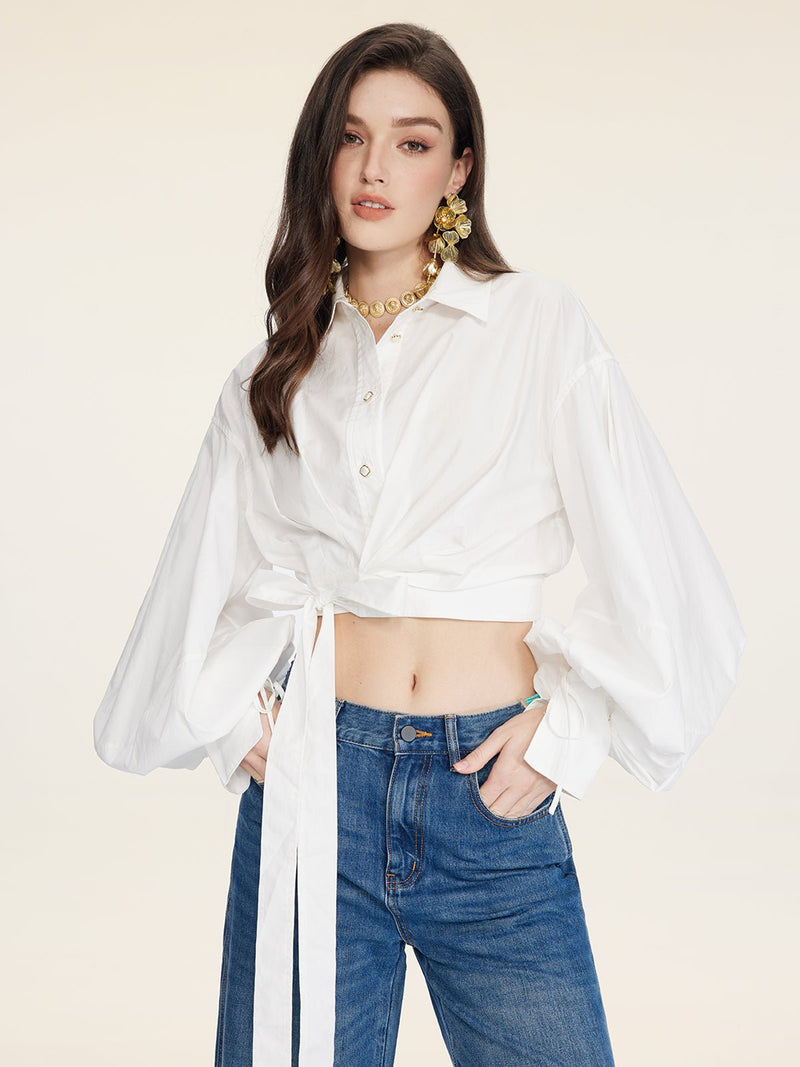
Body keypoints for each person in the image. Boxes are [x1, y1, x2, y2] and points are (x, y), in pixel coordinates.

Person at [92, 21, 746, 1067]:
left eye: (410, 139)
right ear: (323, 157)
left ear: (458, 167)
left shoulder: (536, 327)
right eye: (351, 137)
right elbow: (196, 574)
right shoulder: (277, 368)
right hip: (313, 788)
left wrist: (567, 733)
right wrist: (225, 718)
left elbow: (663, 567)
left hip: (483, 791)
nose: (373, 167)